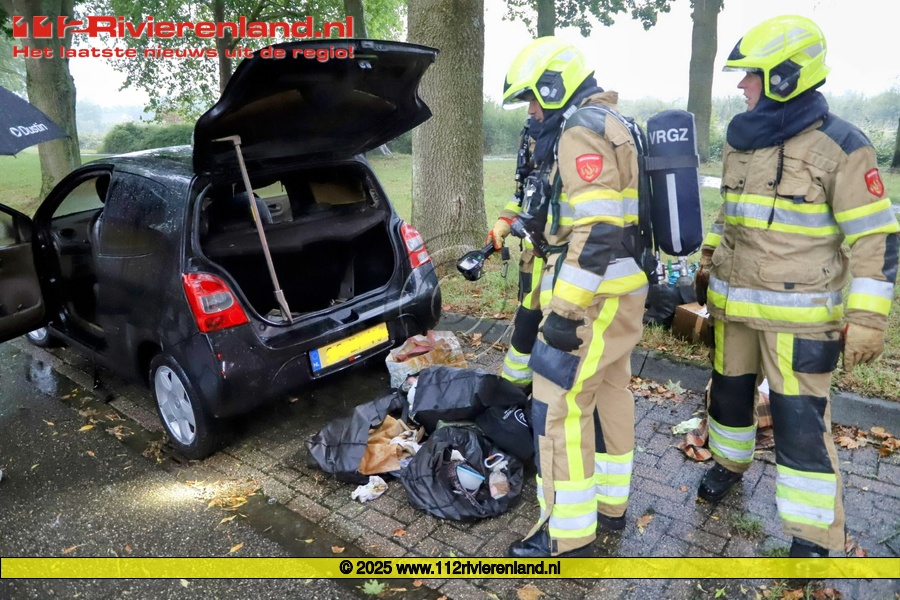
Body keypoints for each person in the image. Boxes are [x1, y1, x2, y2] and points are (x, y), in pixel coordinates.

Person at [693, 15, 899, 558]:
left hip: (799, 321)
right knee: (728, 400)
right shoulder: (742, 138)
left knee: (801, 427)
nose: (742, 85)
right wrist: (708, 260)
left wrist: (869, 320)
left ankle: (812, 536)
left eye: (752, 75)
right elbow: (731, 213)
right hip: (733, 308)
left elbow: (876, 238)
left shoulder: (843, 147)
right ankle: (728, 464)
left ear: (785, 77)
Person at [500, 37, 649, 558]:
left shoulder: (578, 131)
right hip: (622, 291)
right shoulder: (613, 122)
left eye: (532, 99)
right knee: (609, 394)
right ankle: (609, 507)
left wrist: (563, 312)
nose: (531, 111)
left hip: (592, 299)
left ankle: (567, 533)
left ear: (553, 86)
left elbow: (599, 226)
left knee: (558, 407)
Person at [487, 117, 545, 389]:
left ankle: (528, 389)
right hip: (532, 260)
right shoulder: (533, 130)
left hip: (561, 262)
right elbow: (523, 194)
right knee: (527, 321)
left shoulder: (574, 137)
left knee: (549, 329)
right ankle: (517, 391)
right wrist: (504, 221)